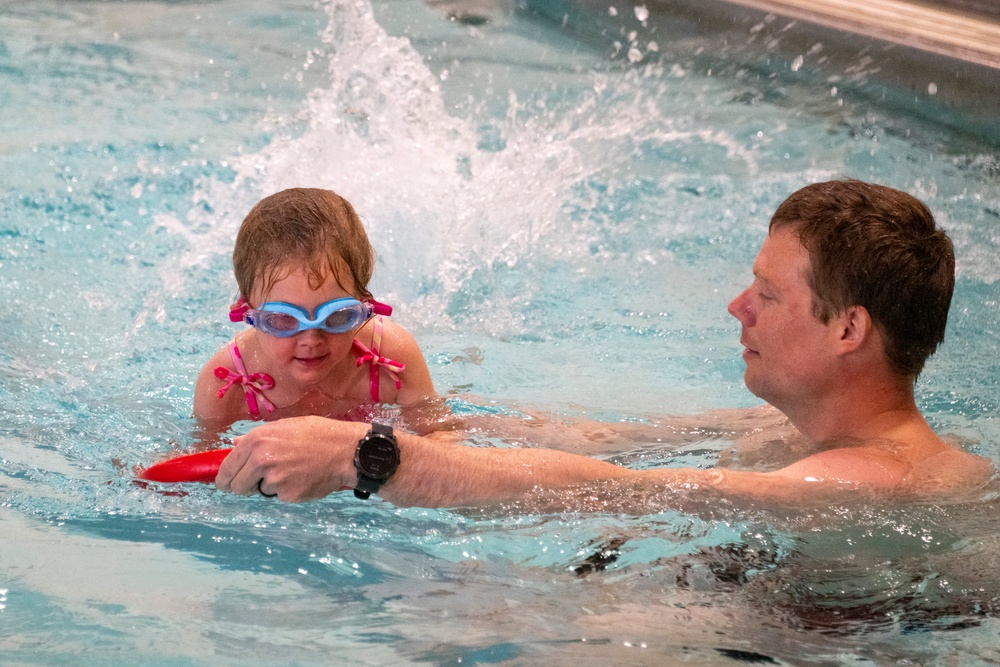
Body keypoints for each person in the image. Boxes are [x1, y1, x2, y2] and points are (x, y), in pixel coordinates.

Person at [213, 180, 993, 509]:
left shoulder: (857, 484)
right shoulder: (793, 436)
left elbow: (617, 487)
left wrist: (367, 457)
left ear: (849, 328)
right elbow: (610, 444)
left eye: (767, 293)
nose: (736, 307)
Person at [193, 187, 439, 436]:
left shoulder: (391, 360)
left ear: (364, 306)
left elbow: (442, 438)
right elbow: (195, 463)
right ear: (249, 313)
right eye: (283, 319)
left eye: (338, 316)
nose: (311, 340)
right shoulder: (226, 384)